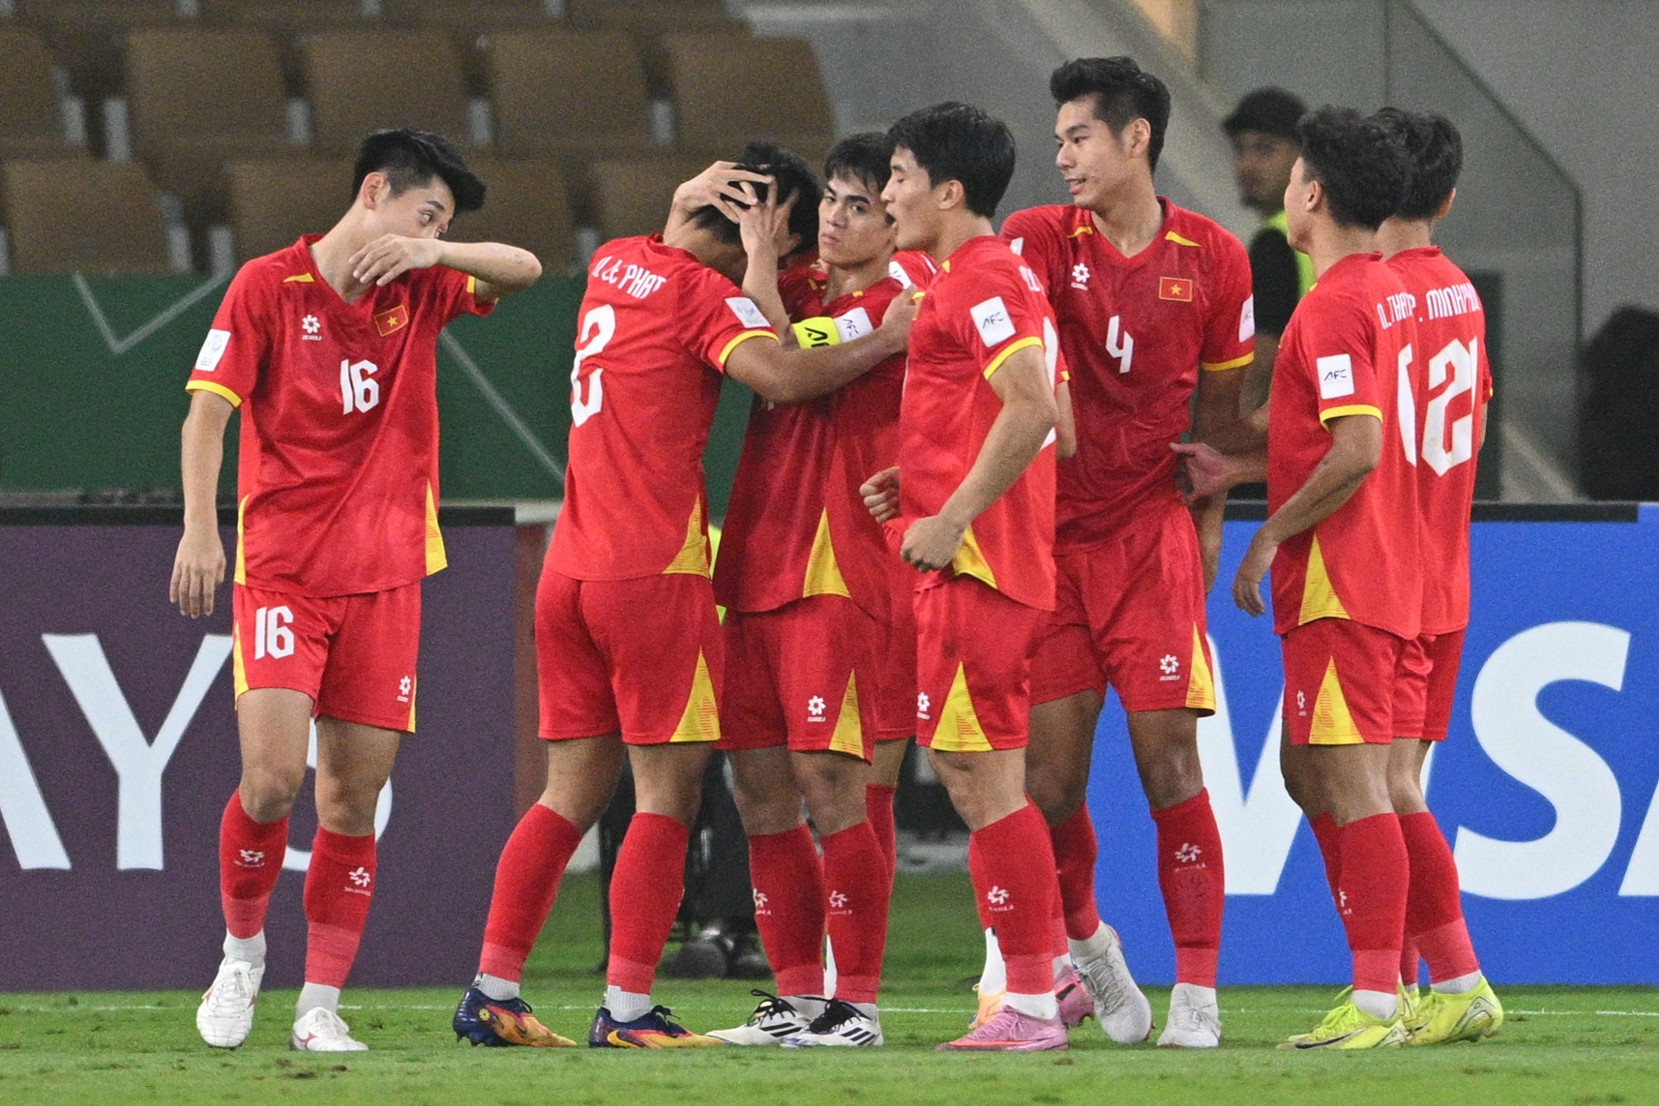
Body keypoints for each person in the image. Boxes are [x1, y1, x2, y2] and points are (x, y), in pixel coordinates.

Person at [450, 142, 913, 1050]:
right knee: (669, 796)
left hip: (568, 570)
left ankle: (493, 989)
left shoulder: (618, 260)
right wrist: (886, 335)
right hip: (650, 575)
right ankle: (627, 1009)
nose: (814, 237)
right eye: (800, 221)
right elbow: (779, 373)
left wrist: (703, 218)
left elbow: (757, 301)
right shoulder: (708, 298)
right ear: (763, 224)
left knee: (568, 793)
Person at [172, 129, 542, 1052]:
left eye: (445, 222)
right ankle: (243, 957)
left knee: (350, 801)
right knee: (269, 781)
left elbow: (525, 268)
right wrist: (200, 529)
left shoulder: (422, 284)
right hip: (285, 570)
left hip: (388, 576)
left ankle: (319, 1007)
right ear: (373, 189)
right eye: (428, 211)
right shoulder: (267, 284)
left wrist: (436, 248)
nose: (433, 231)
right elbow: (207, 413)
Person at [988, 56, 1254, 1048]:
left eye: (1078, 138)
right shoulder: (1037, 240)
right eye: (1058, 139)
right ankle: (1093, 951)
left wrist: (1217, 502)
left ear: (1135, 139)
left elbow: (1221, 420)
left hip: (1149, 539)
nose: (1060, 157)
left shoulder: (1219, 259)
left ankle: (1199, 992)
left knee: (1169, 764)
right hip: (1049, 540)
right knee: (1048, 787)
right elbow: (1022, 368)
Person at [1176, 106, 1419, 1049]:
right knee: (1305, 770)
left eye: (1288, 174)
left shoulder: (1327, 306)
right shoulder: (1390, 292)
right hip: (1388, 564)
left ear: (1309, 194)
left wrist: (1268, 534)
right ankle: (1387, 979)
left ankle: (1376, 1002)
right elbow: (1338, 437)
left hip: (1340, 577)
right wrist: (1240, 469)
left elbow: (1354, 448)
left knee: (1351, 780)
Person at [701, 134, 933, 1048]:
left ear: (892, 221)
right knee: (759, 795)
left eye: (858, 205)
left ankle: (857, 1003)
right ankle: (794, 1000)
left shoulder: (896, 301)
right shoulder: (800, 291)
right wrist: (762, 260)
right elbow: (769, 337)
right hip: (757, 553)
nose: (834, 218)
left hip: (839, 568)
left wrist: (764, 262)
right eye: (830, 201)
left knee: (831, 787)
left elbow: (791, 364)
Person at [866, 100, 1075, 1052]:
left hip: (979, 566)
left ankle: (1032, 999)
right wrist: (913, 478)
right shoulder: (976, 278)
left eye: (901, 175)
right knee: (974, 775)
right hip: (975, 559)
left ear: (950, 192)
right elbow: (994, 409)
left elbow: (1033, 410)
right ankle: (1051, 979)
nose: (885, 193)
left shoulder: (983, 280)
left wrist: (950, 517)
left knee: (983, 781)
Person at [1370, 106, 1503, 1045]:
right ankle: (1427, 986)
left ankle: (1453, 980)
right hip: (1442, 570)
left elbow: (1348, 443)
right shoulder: (1460, 291)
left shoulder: (1361, 298)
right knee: (1396, 785)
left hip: (1376, 573)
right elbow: (1475, 429)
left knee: (1375, 790)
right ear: (1448, 198)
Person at [1223, 87, 1314, 417]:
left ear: (1302, 157)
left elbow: (1257, 367)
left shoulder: (1278, 240)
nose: (1247, 164)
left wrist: (1225, 445)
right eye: (1240, 149)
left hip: (1292, 436)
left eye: (1265, 149)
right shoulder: (1334, 228)